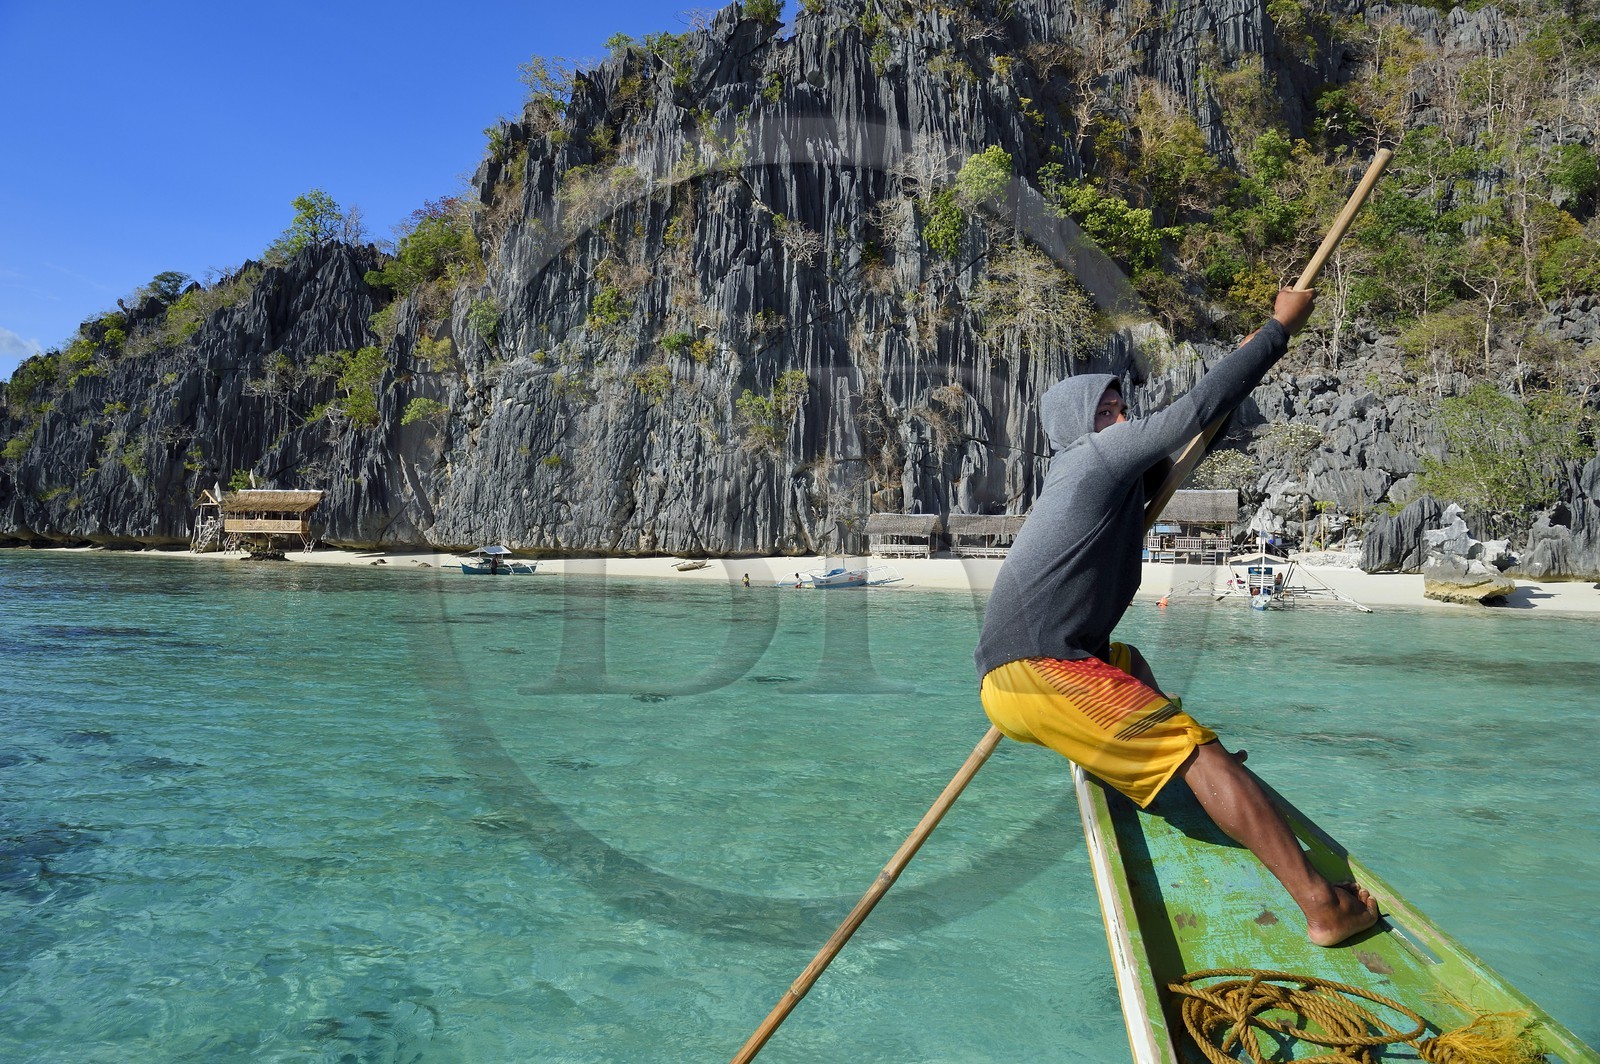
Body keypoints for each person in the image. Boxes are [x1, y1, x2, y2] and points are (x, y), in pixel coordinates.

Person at [974, 288, 1379, 947]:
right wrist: (1280, 330)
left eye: (1120, 404)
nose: (1121, 414)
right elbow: (1195, 409)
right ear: (1075, 425)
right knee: (1198, 753)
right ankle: (1321, 906)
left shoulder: (1088, 481)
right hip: (1040, 670)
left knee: (1128, 660)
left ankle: (1186, 772)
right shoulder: (1097, 458)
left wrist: (1250, 346)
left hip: (1021, 679)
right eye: (1104, 410)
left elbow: (1193, 427)